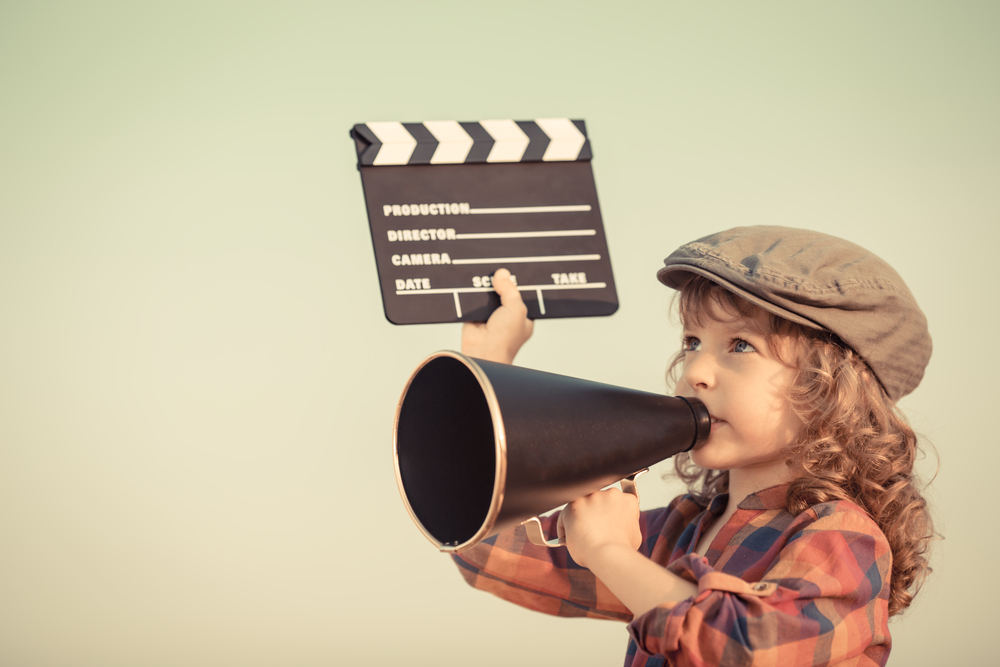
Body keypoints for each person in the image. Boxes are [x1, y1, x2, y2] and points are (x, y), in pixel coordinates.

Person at [454, 226, 934, 666]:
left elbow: (745, 648)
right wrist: (487, 365)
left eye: (741, 345)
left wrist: (606, 550)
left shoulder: (841, 536)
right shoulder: (681, 529)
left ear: (830, 389)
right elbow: (496, 552)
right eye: (692, 341)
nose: (694, 372)